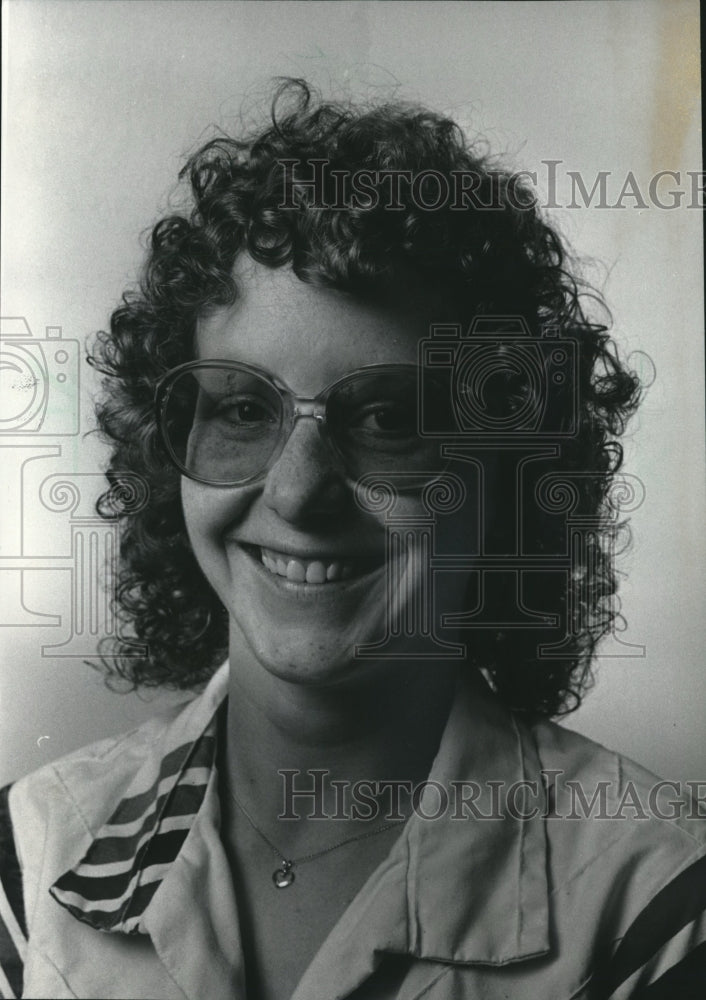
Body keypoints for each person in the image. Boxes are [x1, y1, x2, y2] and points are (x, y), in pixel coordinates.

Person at [1, 79, 704, 1000]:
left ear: (508, 467)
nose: (297, 491)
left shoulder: (654, 901)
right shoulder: (33, 857)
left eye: (385, 417)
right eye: (243, 408)